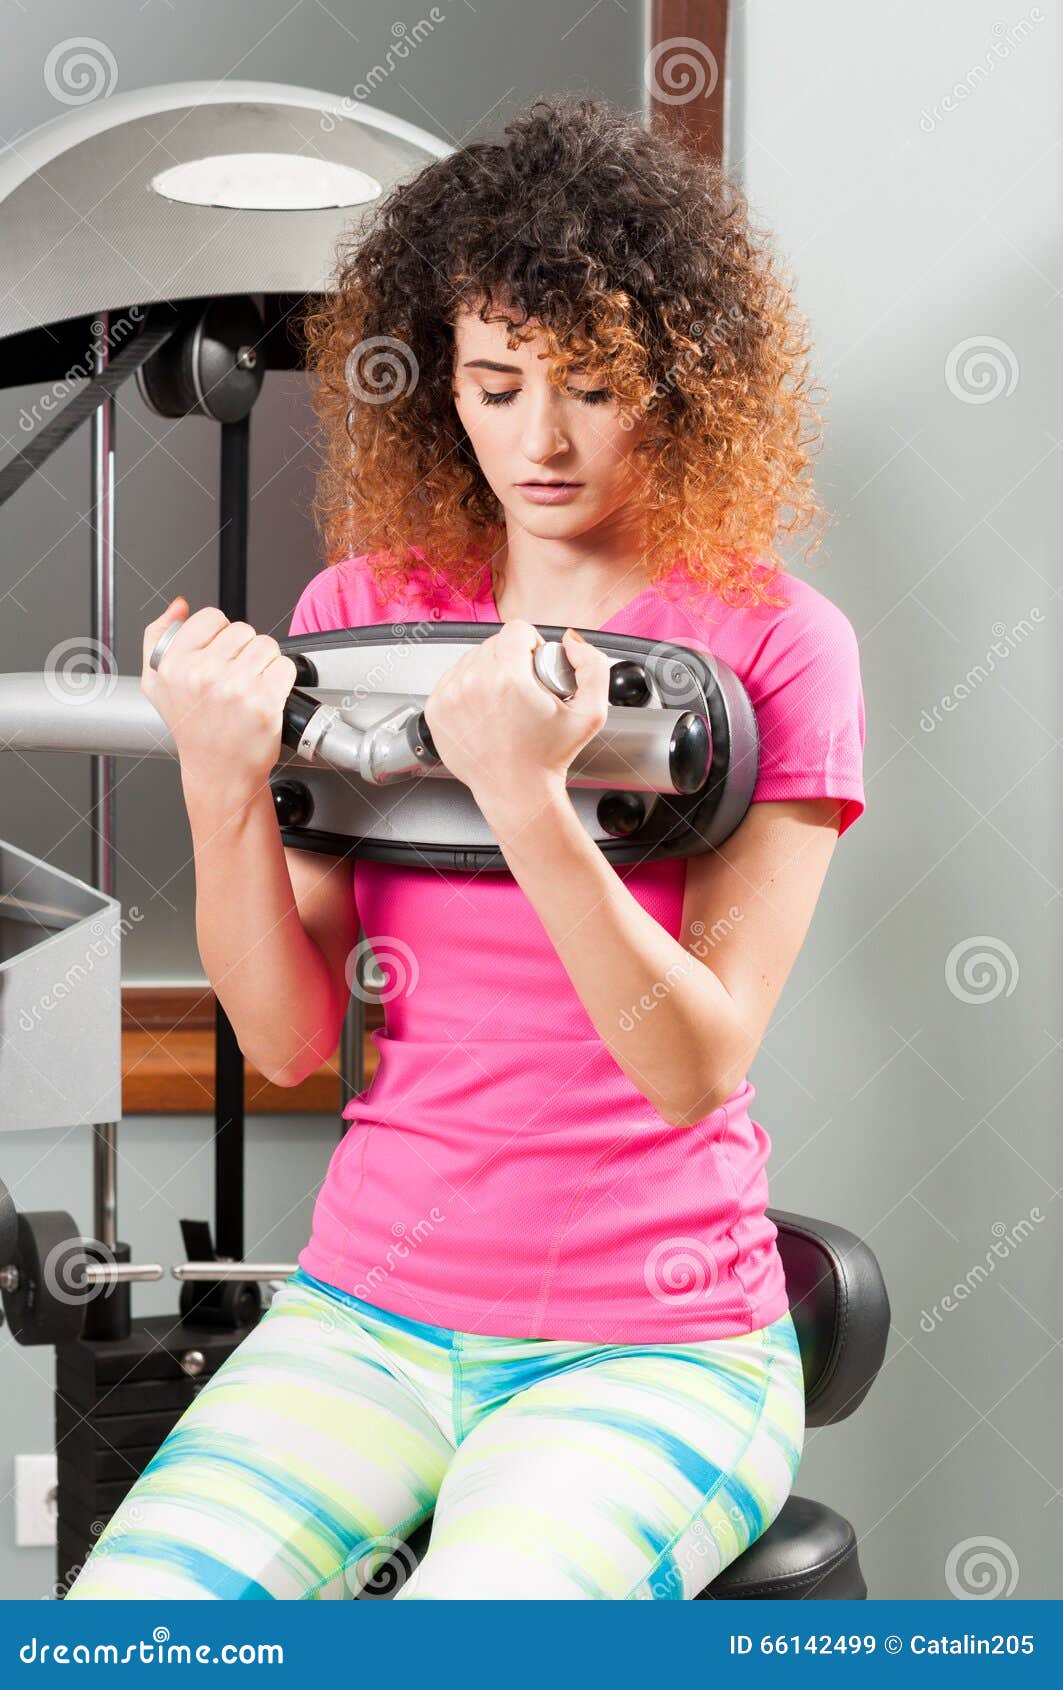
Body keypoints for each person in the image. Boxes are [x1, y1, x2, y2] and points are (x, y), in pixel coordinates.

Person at [65, 93, 865, 1602]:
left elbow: (692, 1058)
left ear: (683, 381)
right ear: (444, 384)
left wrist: (529, 803)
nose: (540, 438)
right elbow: (293, 1037)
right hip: (364, 1314)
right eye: (497, 385)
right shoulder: (363, 618)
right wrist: (224, 786)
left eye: (594, 386)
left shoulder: (776, 641)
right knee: (130, 1633)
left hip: (656, 1342)